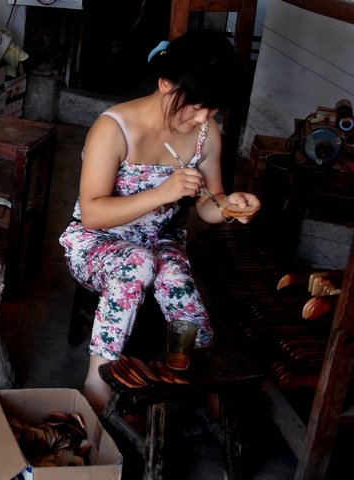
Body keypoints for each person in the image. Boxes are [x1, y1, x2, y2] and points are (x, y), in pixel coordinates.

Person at [59, 29, 261, 415]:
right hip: (97, 242)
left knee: (177, 280)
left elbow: (209, 204)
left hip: (159, 239)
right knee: (137, 264)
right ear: (166, 83)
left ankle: (206, 377)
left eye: (212, 110)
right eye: (196, 107)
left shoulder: (205, 134)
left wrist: (230, 206)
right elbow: (94, 213)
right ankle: (97, 381)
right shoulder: (114, 128)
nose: (202, 118)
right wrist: (162, 193)